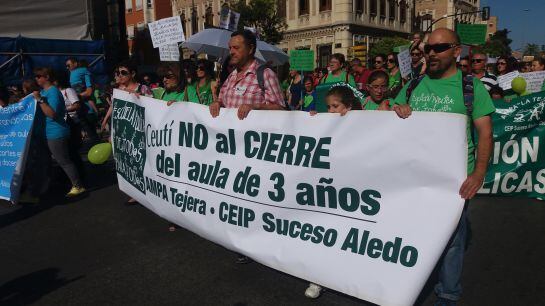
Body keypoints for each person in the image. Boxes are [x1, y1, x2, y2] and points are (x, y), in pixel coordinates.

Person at [392, 28, 495, 306]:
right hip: (413, 178)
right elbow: (384, 118)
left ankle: (448, 294)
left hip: (454, 182)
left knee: (452, 241)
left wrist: (479, 173)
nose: (432, 53)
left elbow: (485, 133)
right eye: (428, 49)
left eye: (440, 48)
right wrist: (395, 110)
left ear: (456, 51)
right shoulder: (413, 85)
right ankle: (409, 283)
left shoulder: (472, 87)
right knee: (413, 232)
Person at [33, 67, 86, 197]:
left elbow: (52, 114)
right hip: (46, 132)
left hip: (56, 132)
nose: (37, 78)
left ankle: (78, 186)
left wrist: (39, 100)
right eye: (36, 76)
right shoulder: (43, 92)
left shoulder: (53, 92)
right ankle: (51, 184)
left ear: (47, 77)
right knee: (50, 161)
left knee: (64, 161)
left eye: (39, 76)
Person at [209, 29, 285, 120]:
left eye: (236, 48)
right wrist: (217, 103)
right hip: (231, 133)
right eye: (230, 48)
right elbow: (221, 101)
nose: (231, 52)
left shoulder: (266, 74)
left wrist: (255, 107)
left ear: (250, 49)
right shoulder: (231, 76)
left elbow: (281, 109)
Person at [66, 57, 99, 143]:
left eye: (68, 65)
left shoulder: (84, 71)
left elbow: (89, 92)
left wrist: (75, 96)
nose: (67, 68)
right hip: (80, 111)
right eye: (66, 66)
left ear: (75, 64)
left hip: (87, 111)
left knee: (93, 137)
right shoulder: (72, 75)